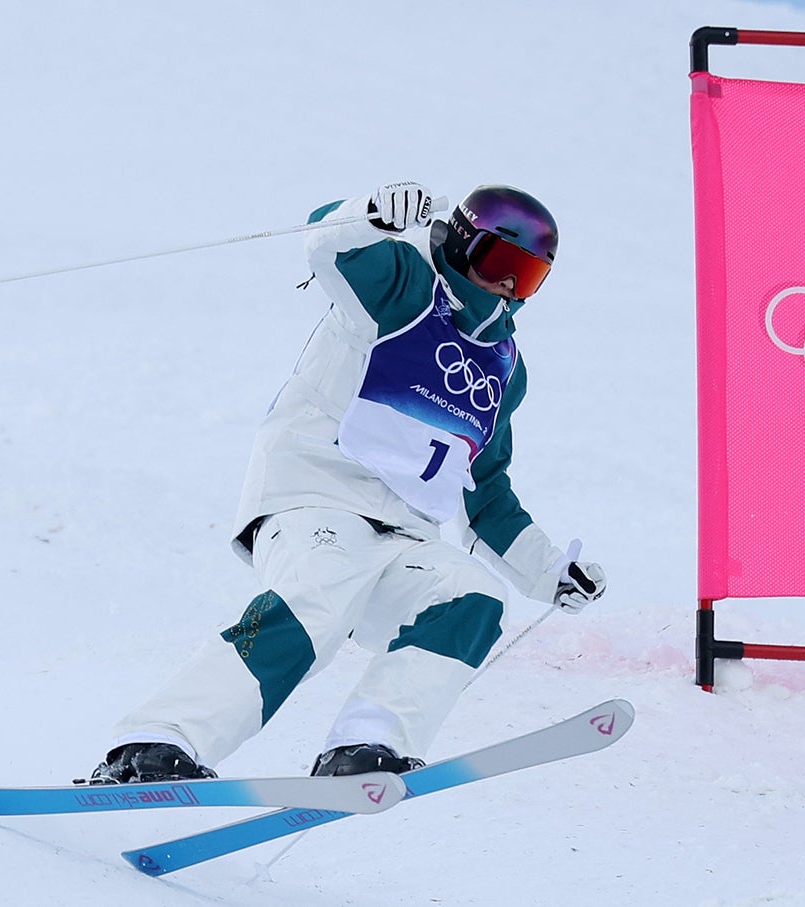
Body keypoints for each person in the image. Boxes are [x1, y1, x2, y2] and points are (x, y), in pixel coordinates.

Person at [89, 182, 607, 783]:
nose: (511, 288)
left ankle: (366, 745)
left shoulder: (504, 368)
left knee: (473, 596)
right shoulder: (406, 286)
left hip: (403, 537)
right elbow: (327, 244)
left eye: (530, 276)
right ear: (465, 245)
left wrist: (550, 571)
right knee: (318, 591)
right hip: (315, 497)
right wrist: (369, 214)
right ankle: (154, 741)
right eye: (503, 264)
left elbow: (485, 492)